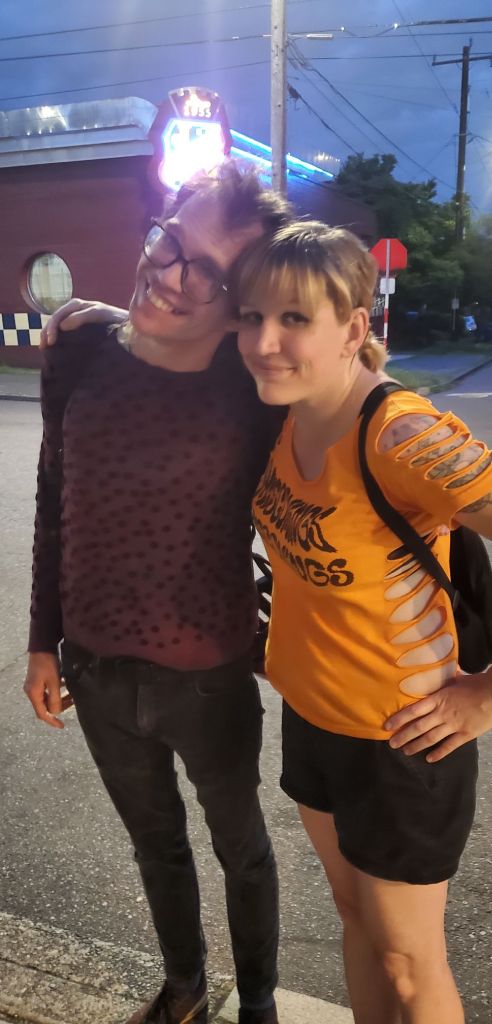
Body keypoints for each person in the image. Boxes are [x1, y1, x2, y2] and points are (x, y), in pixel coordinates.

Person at [224, 220, 492, 1024]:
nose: (263, 342)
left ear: (353, 329)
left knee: (410, 965)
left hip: (403, 740)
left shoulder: (401, 436)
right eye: (251, 316)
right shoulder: (286, 409)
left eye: (294, 319)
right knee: (358, 922)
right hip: (313, 719)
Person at [25, 163, 292, 1024]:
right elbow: (54, 501)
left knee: (241, 849)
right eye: (170, 242)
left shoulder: (257, 392)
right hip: (95, 670)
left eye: (207, 272)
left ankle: (258, 1005)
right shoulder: (77, 352)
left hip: (210, 675)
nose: (172, 274)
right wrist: (41, 643)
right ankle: (185, 990)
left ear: (239, 305)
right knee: (155, 847)